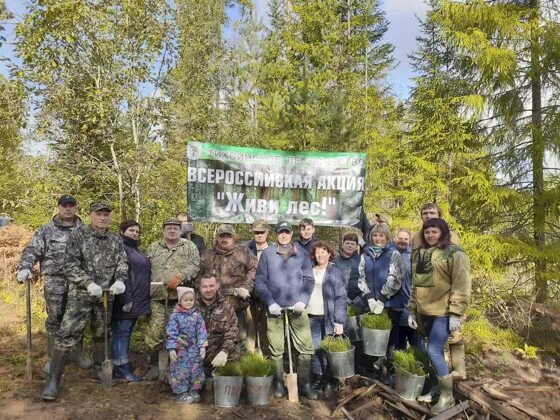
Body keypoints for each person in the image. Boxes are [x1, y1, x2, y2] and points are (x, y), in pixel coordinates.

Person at [42, 202, 128, 401]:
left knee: (101, 333)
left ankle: (98, 369)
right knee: (66, 335)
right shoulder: (78, 236)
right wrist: (87, 283)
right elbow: (69, 265)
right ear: (90, 216)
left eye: (106, 215)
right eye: (99, 214)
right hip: (80, 296)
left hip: (105, 296)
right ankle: (54, 380)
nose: (103, 218)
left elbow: (122, 262)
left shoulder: (115, 239)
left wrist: (120, 280)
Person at [17, 195, 91, 373]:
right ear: (58, 207)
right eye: (64, 206)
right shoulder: (46, 230)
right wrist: (25, 267)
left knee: (76, 319)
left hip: (78, 281)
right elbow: (33, 249)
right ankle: (53, 358)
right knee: (55, 318)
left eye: (71, 206)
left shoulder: (85, 230)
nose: (68, 209)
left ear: (75, 208)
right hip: (55, 280)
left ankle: (76, 353)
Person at [408, 218, 471, 414]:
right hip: (425, 312)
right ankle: (437, 389)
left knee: (434, 350)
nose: (430, 235)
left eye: (434, 232)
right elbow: (416, 285)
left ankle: (447, 397)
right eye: (427, 232)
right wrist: (412, 309)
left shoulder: (455, 253)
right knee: (432, 352)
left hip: (444, 312)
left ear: (442, 233)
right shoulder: (422, 254)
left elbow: (462, 285)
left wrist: (455, 313)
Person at [255, 221, 318, 400]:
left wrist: (303, 301)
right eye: (281, 232)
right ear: (276, 234)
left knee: (305, 348)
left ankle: (305, 384)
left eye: (287, 232)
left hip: (297, 309)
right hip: (274, 310)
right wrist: (270, 302)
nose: (284, 235)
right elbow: (260, 281)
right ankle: (278, 385)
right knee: (276, 349)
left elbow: (309, 279)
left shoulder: (302, 254)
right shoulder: (268, 254)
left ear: (291, 234)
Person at [411, 203, 466, 380]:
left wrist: (456, 311)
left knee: (449, 338)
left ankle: (457, 372)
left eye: (432, 213)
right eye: (424, 213)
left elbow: (459, 278)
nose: (428, 215)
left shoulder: (452, 245)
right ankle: (438, 379)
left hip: (445, 305)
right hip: (425, 302)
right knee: (432, 346)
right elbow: (419, 276)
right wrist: (413, 308)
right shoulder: (418, 240)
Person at [144, 218, 200, 380]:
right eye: (169, 228)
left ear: (180, 230)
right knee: (155, 333)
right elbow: (145, 269)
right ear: (163, 230)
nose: (172, 231)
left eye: (175, 228)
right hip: (157, 297)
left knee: (180, 333)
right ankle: (156, 365)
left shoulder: (189, 246)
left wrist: (180, 277)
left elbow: (195, 265)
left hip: (181, 300)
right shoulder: (153, 247)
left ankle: (179, 366)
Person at [198, 224, 257, 352]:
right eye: (222, 236)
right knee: (211, 339)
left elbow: (254, 269)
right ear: (217, 238)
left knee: (238, 338)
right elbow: (199, 276)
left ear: (234, 237)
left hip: (237, 305)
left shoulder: (244, 251)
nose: (225, 239)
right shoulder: (207, 254)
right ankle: (212, 369)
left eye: (228, 236)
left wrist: (246, 287)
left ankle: (234, 370)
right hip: (212, 307)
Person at [358, 224, 405, 372]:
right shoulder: (365, 255)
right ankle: (373, 372)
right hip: (371, 304)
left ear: (387, 238)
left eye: (381, 236)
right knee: (372, 341)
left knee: (391, 341)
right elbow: (361, 278)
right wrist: (370, 298)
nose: (378, 238)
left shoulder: (393, 254)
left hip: (390, 304)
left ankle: (390, 372)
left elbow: (395, 278)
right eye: (375, 235)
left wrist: (382, 299)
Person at [111, 220, 151, 382]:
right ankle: (121, 370)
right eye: (131, 230)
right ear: (122, 231)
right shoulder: (121, 249)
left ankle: (120, 367)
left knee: (125, 333)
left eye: (136, 231)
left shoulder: (135, 249)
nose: (134, 233)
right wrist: (125, 299)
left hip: (137, 301)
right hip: (126, 301)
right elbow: (121, 275)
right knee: (121, 334)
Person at [308, 241, 346, 398]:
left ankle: (330, 380)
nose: (320, 255)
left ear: (329, 254)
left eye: (324, 252)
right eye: (317, 252)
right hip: (312, 316)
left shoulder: (334, 272)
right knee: (315, 349)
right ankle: (318, 377)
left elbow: (341, 297)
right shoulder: (310, 270)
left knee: (329, 350)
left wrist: (339, 321)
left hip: (329, 317)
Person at [166, 287, 207, 403]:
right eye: (186, 300)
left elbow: (202, 330)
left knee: (196, 369)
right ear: (180, 301)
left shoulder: (197, 315)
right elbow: (171, 332)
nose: (189, 302)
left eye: (191, 300)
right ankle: (181, 392)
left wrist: (202, 346)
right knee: (180, 371)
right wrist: (172, 348)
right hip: (181, 349)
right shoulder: (175, 316)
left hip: (194, 349)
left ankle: (194, 390)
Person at [195, 273, 240, 373]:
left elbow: (232, 332)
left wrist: (224, 352)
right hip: (195, 350)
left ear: (217, 286)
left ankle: (221, 378)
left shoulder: (226, 307)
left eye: (211, 286)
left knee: (234, 353)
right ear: (200, 287)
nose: (208, 289)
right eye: (205, 286)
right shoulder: (190, 305)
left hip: (217, 350)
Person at [243, 220, 273, 354]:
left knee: (267, 329)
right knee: (250, 329)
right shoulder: (244, 248)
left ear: (267, 233)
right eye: (256, 232)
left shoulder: (275, 248)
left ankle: (266, 358)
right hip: (249, 295)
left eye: (262, 232)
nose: (259, 235)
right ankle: (251, 360)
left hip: (269, 295)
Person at [394, 228, 422, 350]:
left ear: (410, 240)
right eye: (400, 238)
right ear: (395, 239)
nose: (403, 241)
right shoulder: (390, 254)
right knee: (398, 344)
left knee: (416, 344)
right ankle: (397, 367)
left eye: (406, 239)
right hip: (393, 309)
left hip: (410, 307)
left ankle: (420, 367)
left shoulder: (414, 257)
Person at [332, 232, 362, 307]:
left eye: (352, 244)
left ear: (356, 247)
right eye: (347, 243)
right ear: (343, 245)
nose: (350, 246)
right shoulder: (335, 261)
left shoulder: (362, 260)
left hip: (359, 301)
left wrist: (361, 297)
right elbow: (333, 282)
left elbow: (366, 280)